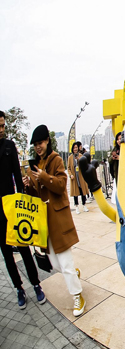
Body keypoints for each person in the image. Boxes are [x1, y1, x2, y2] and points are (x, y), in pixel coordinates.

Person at [24, 125, 85, 317]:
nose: (38, 147)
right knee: (55, 264)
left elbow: (60, 185)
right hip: (45, 221)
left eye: (40, 143)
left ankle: (78, 296)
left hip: (58, 218)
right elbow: (36, 194)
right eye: (35, 144)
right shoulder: (36, 165)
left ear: (47, 141)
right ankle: (73, 273)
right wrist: (29, 186)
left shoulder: (56, 160)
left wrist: (44, 177)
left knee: (65, 263)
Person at [0, 110, 45, 309]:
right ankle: (19, 288)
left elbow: (18, 177)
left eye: (3, 125)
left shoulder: (9, 146)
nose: (1, 129)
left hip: (13, 207)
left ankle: (36, 284)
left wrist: (22, 199)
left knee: (24, 247)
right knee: (7, 254)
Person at [67, 142, 90, 214]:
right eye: (74, 148)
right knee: (75, 193)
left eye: (76, 147)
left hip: (80, 176)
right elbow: (68, 168)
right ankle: (76, 207)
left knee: (83, 191)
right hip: (74, 177)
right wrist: (70, 175)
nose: (75, 149)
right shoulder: (70, 157)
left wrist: (78, 159)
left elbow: (84, 165)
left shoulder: (81, 156)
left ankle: (84, 205)